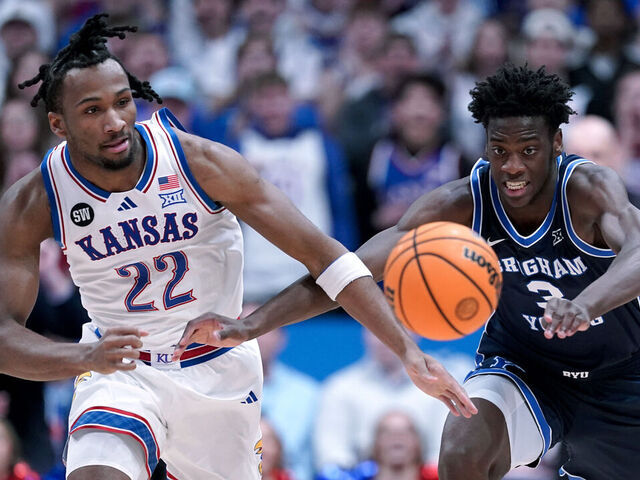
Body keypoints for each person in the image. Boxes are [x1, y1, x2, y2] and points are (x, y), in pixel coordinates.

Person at [0, 13, 474, 480]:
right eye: (92, 110)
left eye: (122, 102)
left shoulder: (200, 163)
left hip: (215, 368)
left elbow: (327, 258)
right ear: (59, 125)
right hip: (120, 370)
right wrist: (82, 358)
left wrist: (409, 351)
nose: (115, 121)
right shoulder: (35, 199)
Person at [178, 64, 640, 480]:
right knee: (462, 450)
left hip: (622, 372)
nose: (512, 166)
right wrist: (251, 324)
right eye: (499, 150)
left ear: (556, 144)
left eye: (529, 150)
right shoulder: (460, 203)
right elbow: (346, 271)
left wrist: (585, 304)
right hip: (527, 365)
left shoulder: (589, 190)